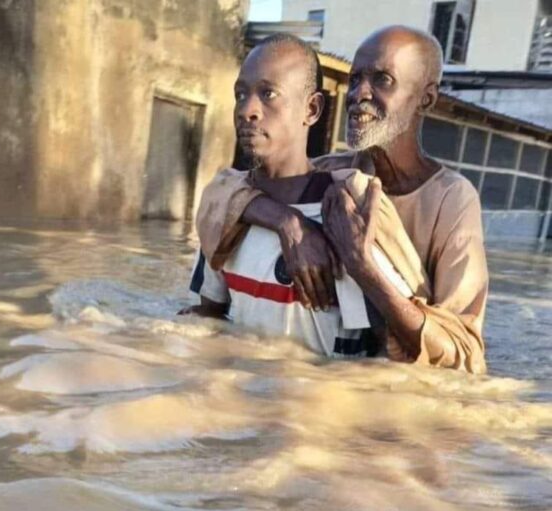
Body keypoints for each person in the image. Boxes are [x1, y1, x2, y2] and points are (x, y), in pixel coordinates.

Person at [193, 26, 488, 374]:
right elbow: (224, 190)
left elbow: (463, 353)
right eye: (356, 78)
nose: (359, 93)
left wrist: (360, 263)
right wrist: (291, 225)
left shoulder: (452, 199)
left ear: (425, 98)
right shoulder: (334, 176)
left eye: (383, 80)